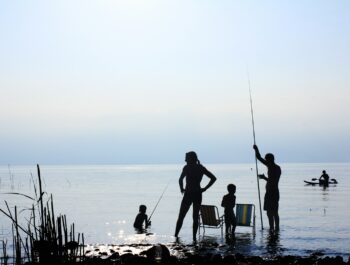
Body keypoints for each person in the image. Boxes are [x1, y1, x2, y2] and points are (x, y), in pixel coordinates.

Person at [174, 151, 217, 241]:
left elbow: (180, 179)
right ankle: (193, 238)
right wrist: (204, 188)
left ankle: (176, 236)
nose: (185, 160)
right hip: (197, 194)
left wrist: (181, 188)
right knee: (195, 217)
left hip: (188, 194)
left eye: (186, 158)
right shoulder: (200, 168)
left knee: (181, 216)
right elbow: (213, 178)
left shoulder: (187, 168)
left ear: (190, 158)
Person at [253, 145, 281, 232]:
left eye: (266, 159)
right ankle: (276, 228)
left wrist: (256, 149)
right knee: (275, 212)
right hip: (275, 191)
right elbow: (273, 180)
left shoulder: (271, 166)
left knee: (269, 213)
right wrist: (264, 178)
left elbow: (258, 157)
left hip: (270, 192)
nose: (265, 161)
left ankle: (272, 228)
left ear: (269, 159)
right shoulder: (278, 168)